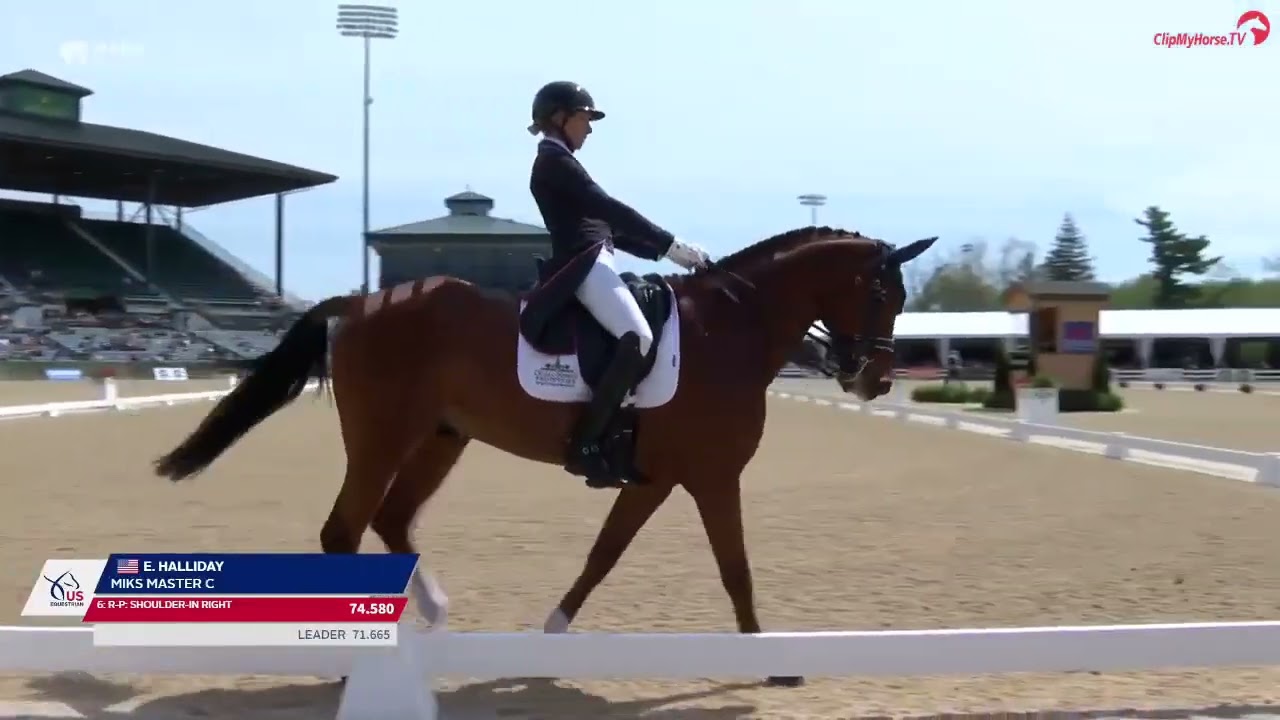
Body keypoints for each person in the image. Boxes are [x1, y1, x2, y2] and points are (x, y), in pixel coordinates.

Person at [527, 80, 710, 488]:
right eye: (584, 118)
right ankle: (587, 444)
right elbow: (606, 207)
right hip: (583, 266)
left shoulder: (563, 162)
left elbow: (610, 230)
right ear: (560, 118)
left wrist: (669, 253)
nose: (589, 129)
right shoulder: (554, 162)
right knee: (638, 336)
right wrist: (669, 244)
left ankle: (621, 435)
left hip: (596, 260)